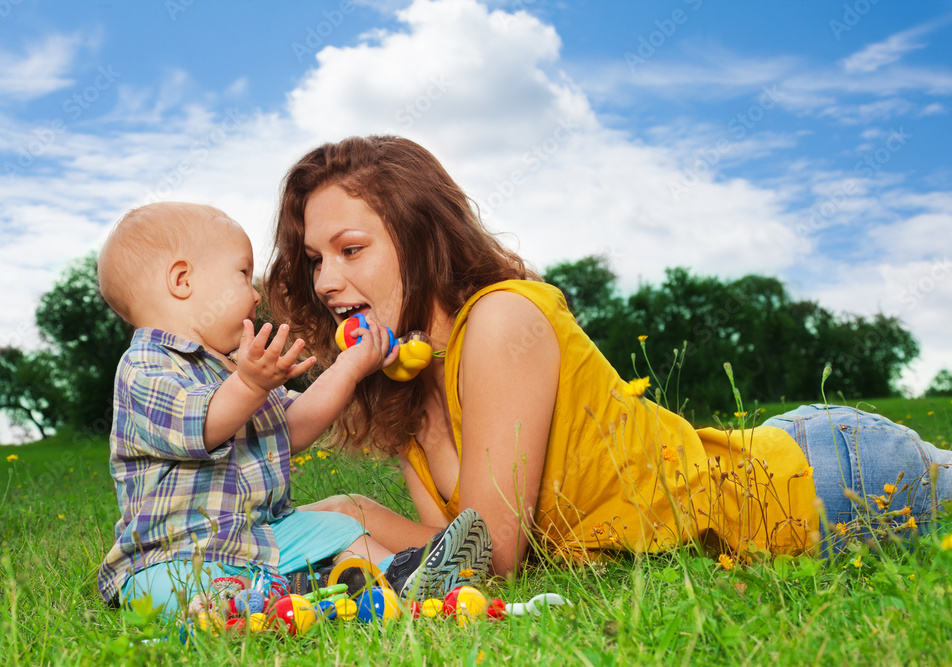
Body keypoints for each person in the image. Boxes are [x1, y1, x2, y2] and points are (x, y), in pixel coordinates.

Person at [266, 135, 952, 575]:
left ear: (421, 237)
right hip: (769, 450)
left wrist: (349, 511)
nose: (325, 281)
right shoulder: (406, 387)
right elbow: (449, 556)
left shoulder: (503, 318)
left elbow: (493, 554)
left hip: (822, 480)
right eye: (315, 259)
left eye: (351, 250)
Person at [95, 202, 492, 613]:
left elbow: (293, 427)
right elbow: (202, 424)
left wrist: (351, 368)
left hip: (258, 539)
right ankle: (243, 605)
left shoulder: (232, 369)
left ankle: (404, 575)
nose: (254, 294)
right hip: (175, 555)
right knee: (176, 590)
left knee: (338, 528)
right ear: (182, 280)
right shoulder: (145, 366)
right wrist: (249, 384)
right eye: (242, 274)